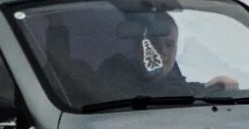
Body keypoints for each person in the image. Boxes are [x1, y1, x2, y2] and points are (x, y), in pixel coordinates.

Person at [98, 6, 236, 99]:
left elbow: (177, 90)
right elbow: (152, 93)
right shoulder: (113, 85)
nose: (163, 51)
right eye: (154, 44)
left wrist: (212, 86)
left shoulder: (177, 85)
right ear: (138, 47)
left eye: (170, 45)